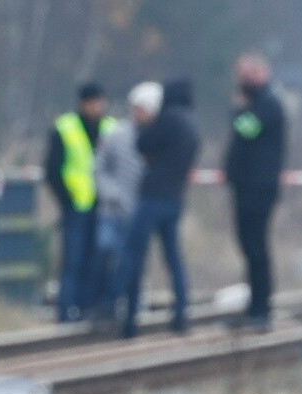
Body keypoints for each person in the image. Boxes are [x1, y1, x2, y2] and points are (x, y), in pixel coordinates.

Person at [124, 75, 200, 334]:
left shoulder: (169, 119)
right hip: (176, 198)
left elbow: (142, 143)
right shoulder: (192, 124)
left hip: (153, 197)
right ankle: (181, 315)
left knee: (134, 257)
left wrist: (147, 127)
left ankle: (130, 320)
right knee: (174, 258)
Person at [223, 55, 288, 330]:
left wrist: (238, 111)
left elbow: (247, 129)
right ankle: (253, 307)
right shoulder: (256, 104)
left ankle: (262, 309)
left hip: (259, 187)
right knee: (248, 247)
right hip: (244, 185)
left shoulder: (269, 105)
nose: (244, 81)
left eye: (249, 75)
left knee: (257, 247)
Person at [45, 84, 109, 322]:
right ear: (84, 103)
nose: (99, 107)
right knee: (72, 261)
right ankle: (66, 312)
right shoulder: (65, 127)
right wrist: (67, 200)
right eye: (95, 102)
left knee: (97, 261)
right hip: (76, 208)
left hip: (103, 208)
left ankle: (88, 309)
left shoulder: (111, 128)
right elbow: (52, 170)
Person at [92, 88, 148, 330]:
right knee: (105, 253)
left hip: (139, 213)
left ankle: (124, 306)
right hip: (112, 210)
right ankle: (102, 304)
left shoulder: (156, 137)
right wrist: (110, 193)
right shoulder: (117, 134)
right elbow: (99, 168)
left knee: (130, 262)